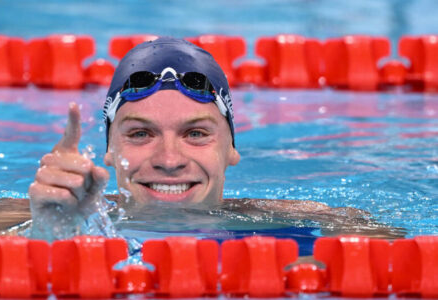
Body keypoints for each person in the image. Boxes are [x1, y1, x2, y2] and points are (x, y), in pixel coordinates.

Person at [26, 37, 403, 240]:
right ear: (109, 150)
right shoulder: (32, 213)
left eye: (196, 133)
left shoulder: (309, 224)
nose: (169, 159)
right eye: (141, 133)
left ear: (231, 150)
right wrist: (48, 233)